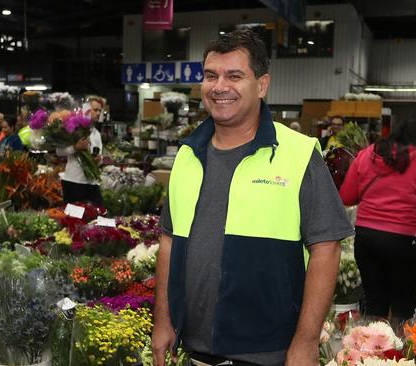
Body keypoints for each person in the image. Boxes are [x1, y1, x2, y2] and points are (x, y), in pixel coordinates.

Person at [152, 29, 354, 366]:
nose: (220, 87)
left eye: (234, 76)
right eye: (211, 75)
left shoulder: (298, 154)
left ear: (261, 85)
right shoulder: (188, 154)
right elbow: (169, 241)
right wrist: (164, 320)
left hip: (268, 350)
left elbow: (327, 249)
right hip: (194, 347)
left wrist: (305, 343)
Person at [339, 115, 416, 320]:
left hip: (366, 239)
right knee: (403, 308)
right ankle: (400, 350)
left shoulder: (367, 155)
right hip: (404, 242)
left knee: (374, 303)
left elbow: (347, 197)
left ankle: (370, 348)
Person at [56, 98, 103, 206]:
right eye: (95, 110)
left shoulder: (97, 134)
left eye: (100, 111)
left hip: (92, 182)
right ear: (86, 110)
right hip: (73, 182)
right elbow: (59, 152)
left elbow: (100, 159)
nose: (98, 113)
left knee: (97, 215)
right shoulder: (72, 129)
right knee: (73, 219)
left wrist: (98, 160)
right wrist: (75, 148)